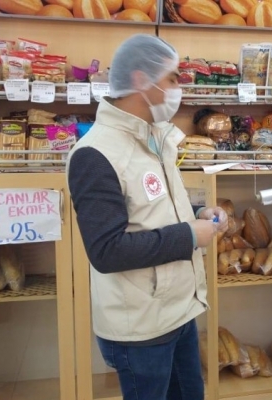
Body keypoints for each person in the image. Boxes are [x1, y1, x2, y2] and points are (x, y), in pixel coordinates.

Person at [67, 34, 228, 400]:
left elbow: (152, 206)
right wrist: (190, 235)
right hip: (140, 327)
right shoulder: (95, 155)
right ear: (142, 80)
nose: (177, 88)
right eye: (171, 78)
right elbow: (106, 251)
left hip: (178, 310)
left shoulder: (154, 138)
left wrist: (199, 213)